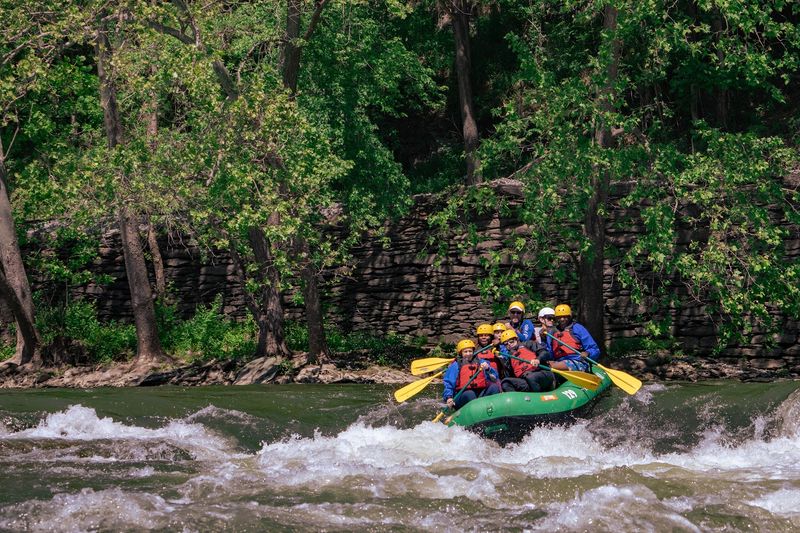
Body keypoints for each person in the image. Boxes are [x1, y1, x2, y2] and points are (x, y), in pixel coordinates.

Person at [541, 304, 601, 374]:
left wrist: (588, 353)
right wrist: (544, 340)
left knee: (552, 366)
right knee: (544, 366)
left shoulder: (578, 328)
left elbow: (595, 349)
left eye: (565, 317)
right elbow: (549, 352)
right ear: (556, 318)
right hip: (558, 361)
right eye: (559, 317)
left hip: (578, 361)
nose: (562, 319)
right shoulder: (552, 332)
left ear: (569, 317)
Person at [442, 339, 501, 410]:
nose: (468, 354)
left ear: (473, 352)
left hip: (480, 394)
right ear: (461, 353)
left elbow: (495, 377)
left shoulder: (481, 362)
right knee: (470, 394)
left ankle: (494, 410)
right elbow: (448, 383)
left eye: (470, 351)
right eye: (465, 352)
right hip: (463, 395)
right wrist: (448, 397)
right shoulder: (455, 365)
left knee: (494, 387)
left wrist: (488, 368)